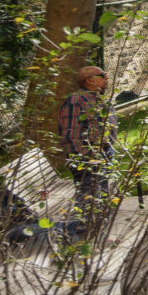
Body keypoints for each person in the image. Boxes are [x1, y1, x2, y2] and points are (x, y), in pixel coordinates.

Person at [57, 64, 115, 216]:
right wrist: (90, 158)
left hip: (104, 154)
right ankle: (82, 232)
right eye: (103, 76)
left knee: (102, 200)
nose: (107, 79)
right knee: (88, 203)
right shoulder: (76, 100)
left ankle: (99, 230)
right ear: (89, 80)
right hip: (88, 160)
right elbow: (70, 135)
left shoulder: (98, 99)